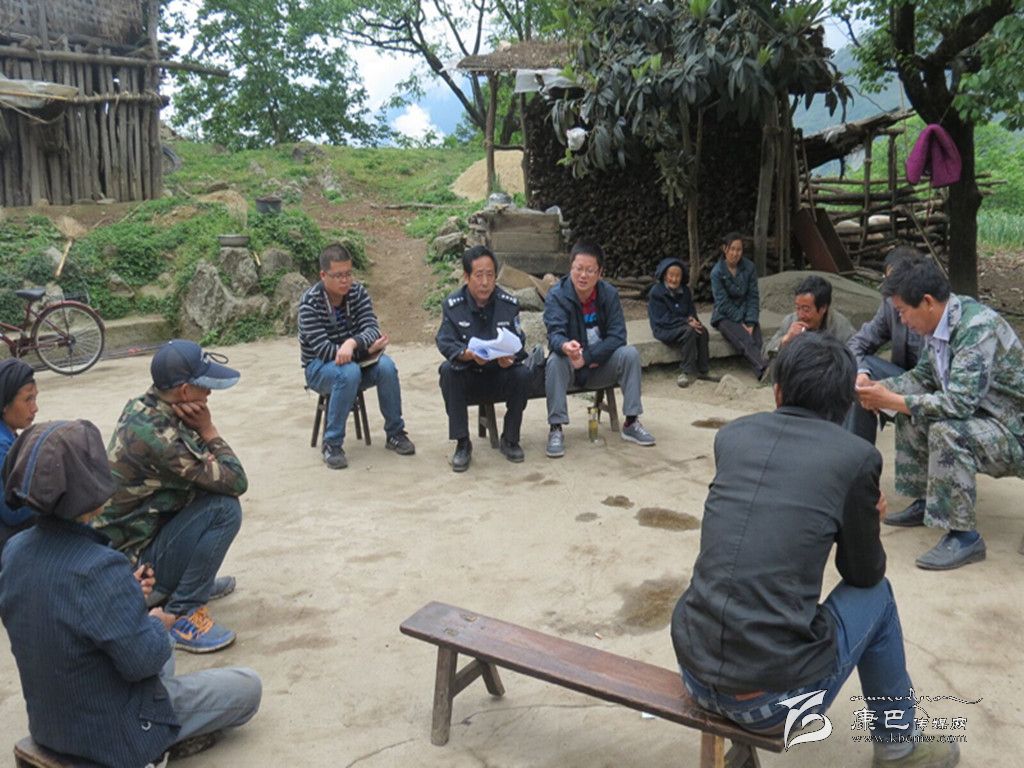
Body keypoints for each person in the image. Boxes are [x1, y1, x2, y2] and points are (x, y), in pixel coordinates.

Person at [671, 333, 959, 768]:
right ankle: (899, 747)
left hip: (694, 674)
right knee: (878, 598)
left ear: (777, 391)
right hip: (770, 705)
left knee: (732, 584)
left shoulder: (732, 437)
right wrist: (865, 519)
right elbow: (863, 574)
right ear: (845, 406)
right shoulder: (854, 457)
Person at [0, 419, 261, 768]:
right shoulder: (100, 568)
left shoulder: (14, 551)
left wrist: (126, 597)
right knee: (247, 687)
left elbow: (64, 610)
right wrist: (158, 621)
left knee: (150, 642)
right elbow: (144, 662)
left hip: (51, 726)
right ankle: (156, 747)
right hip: (113, 733)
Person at [856, 256, 1024, 570]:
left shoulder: (976, 329)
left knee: (947, 431)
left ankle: (964, 536)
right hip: (986, 418)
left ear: (928, 302)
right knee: (910, 410)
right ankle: (927, 501)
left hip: (1014, 431)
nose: (902, 320)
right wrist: (879, 389)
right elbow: (923, 378)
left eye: (903, 311)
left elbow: (959, 404)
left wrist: (893, 400)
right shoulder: (938, 327)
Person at [94, 340, 247, 653]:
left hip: (129, 550)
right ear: (185, 391)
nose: (210, 392)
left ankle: (191, 582)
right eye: (204, 385)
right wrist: (209, 430)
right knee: (224, 509)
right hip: (133, 576)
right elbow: (235, 480)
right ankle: (181, 613)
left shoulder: (146, 406)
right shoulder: (160, 436)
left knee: (201, 494)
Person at [298, 242, 415, 469]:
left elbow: (372, 328)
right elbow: (324, 350)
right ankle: (332, 444)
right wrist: (364, 350)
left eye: (348, 274)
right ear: (323, 275)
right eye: (338, 276)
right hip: (320, 368)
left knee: (386, 366)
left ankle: (395, 433)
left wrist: (352, 344)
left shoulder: (357, 292)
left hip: (356, 362)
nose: (345, 281)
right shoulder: (309, 304)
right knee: (348, 372)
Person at [543, 240, 655, 458]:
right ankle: (556, 428)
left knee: (630, 354)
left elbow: (618, 336)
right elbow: (554, 334)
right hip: (570, 366)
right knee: (555, 360)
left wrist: (588, 356)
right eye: (578, 269)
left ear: (600, 273)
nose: (583, 275)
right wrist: (566, 346)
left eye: (590, 270)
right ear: (570, 268)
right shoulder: (557, 295)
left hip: (600, 364)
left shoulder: (608, 294)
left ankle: (631, 422)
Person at [436, 245, 532, 471]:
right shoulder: (453, 305)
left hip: (499, 373)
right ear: (466, 276)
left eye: (490, 275)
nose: (485, 282)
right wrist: (466, 355)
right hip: (469, 375)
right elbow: (445, 341)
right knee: (447, 371)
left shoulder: (508, 303)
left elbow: (519, 341)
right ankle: (462, 443)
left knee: (523, 373)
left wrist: (511, 357)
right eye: (479, 275)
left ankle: (510, 439)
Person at [845, 247, 924, 444]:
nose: (891, 289)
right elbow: (857, 343)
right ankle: (855, 452)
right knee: (860, 380)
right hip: (903, 381)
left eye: (895, 282)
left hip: (932, 389)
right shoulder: (890, 304)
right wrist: (862, 374)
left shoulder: (935, 311)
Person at [647, 257, 719, 388]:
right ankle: (686, 371)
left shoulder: (685, 291)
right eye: (671, 275)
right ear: (665, 276)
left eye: (677, 276)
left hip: (683, 325)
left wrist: (693, 319)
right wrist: (686, 321)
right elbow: (662, 319)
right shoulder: (656, 292)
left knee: (702, 331)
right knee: (689, 331)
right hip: (664, 328)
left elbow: (691, 311)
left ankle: (703, 369)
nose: (674, 279)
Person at [709, 233, 769, 378]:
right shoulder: (717, 272)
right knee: (744, 339)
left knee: (756, 339)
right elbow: (722, 302)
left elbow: (753, 297)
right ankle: (765, 368)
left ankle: (762, 372)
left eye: (739, 250)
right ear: (725, 249)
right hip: (724, 315)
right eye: (732, 249)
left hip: (746, 311)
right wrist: (740, 321)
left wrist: (751, 321)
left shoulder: (749, 267)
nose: (735, 253)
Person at [764, 274, 855, 360]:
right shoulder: (790, 321)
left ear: (823, 308)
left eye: (806, 309)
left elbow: (854, 356)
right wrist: (785, 340)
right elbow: (766, 353)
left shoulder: (840, 327)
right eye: (798, 308)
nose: (800, 315)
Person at [0, 359, 37, 548]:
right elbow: (12, 512)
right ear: (4, 404)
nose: (35, 408)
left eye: (35, 398)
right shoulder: (2, 446)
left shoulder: (11, 436)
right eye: (28, 399)